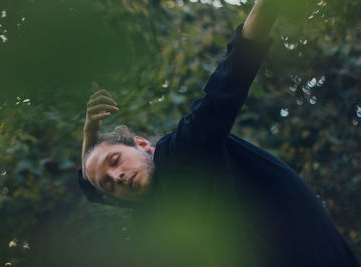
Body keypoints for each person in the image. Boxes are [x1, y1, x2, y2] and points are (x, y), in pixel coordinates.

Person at [78, 0, 360, 266]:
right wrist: (90, 134)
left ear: (142, 144)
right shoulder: (149, 219)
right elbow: (90, 187)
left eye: (115, 161)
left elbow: (231, 77)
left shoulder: (181, 152)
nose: (117, 177)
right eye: (109, 185)